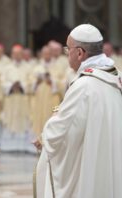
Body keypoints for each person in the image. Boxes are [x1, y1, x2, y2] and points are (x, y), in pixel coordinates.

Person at [35, 24, 122, 198]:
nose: (67, 54)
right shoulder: (117, 76)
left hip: (91, 163)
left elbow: (60, 131)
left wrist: (44, 137)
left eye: (68, 49)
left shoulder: (84, 86)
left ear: (80, 53)